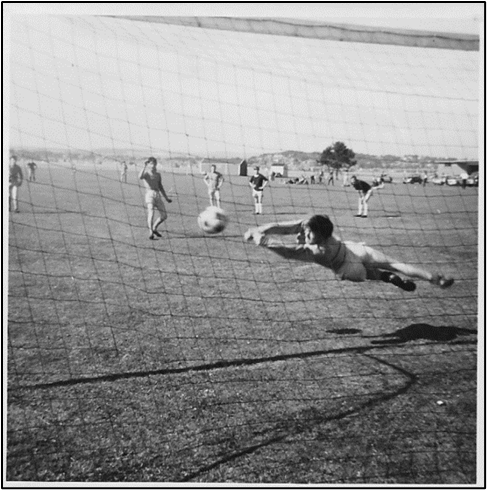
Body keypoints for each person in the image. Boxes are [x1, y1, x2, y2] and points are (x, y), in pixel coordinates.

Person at [244, 214, 454, 292]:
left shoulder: (317, 251)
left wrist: (264, 240)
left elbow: (288, 252)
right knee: (395, 263)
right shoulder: (321, 228)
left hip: (349, 268)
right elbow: (288, 228)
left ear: (321, 235)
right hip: (354, 249)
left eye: (309, 233)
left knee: (369, 273)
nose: (306, 233)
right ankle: (435, 279)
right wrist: (260, 229)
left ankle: (386, 277)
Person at [138, 157, 172, 240]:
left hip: (157, 195)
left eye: (154, 163)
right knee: (151, 213)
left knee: (164, 216)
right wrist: (144, 166)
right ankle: (151, 232)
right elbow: (140, 177)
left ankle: (154, 228)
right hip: (149, 194)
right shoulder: (146, 173)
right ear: (148, 164)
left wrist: (166, 198)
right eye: (151, 163)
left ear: (156, 164)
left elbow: (160, 187)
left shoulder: (158, 175)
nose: (153, 165)